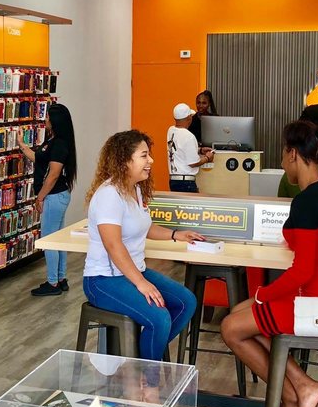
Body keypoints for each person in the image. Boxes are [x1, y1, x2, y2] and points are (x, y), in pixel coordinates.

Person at [220, 121, 318, 407]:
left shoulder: (306, 200)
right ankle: (296, 391)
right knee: (242, 313)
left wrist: (263, 294)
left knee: (231, 327)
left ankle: (299, 390)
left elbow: (303, 271)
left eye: (284, 155)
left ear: (293, 154)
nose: (283, 163)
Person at [83, 130, 204, 361]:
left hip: (133, 272)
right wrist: (141, 283)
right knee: (159, 318)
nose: (151, 161)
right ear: (124, 160)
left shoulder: (135, 190)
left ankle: (138, 358)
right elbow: (113, 245)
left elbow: (144, 227)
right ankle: (147, 375)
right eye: (144, 155)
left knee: (186, 302)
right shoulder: (109, 195)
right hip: (103, 280)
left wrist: (176, 235)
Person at [19, 103, 78, 297]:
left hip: (54, 197)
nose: (45, 120)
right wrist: (22, 145)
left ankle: (53, 283)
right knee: (58, 239)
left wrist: (40, 197)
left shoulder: (60, 144)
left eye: (47, 118)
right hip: (57, 196)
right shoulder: (52, 141)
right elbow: (39, 159)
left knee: (50, 240)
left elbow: (53, 174)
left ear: (55, 121)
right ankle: (60, 278)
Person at [167, 103, 214, 193]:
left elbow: (180, 148)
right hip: (186, 182)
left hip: (173, 180)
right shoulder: (189, 136)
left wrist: (200, 150)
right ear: (189, 118)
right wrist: (207, 158)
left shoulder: (171, 130)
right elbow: (193, 163)